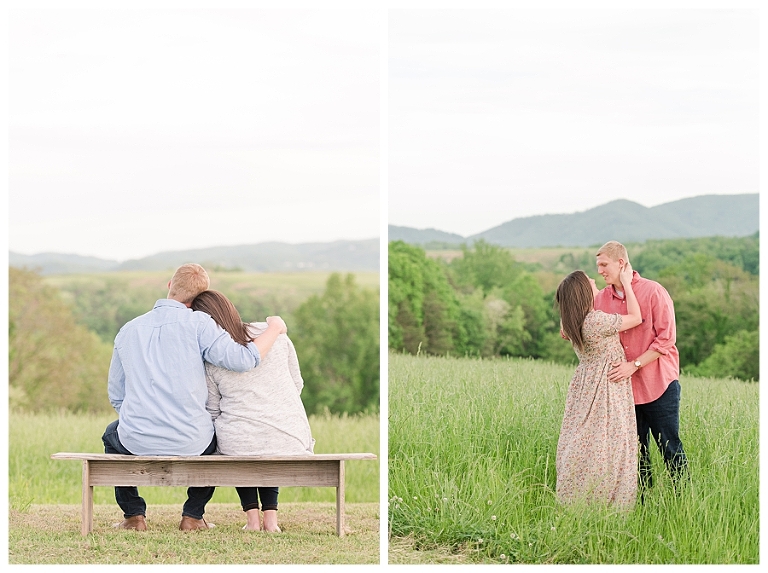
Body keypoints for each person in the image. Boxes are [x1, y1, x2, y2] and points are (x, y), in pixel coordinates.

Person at [103, 263, 287, 532]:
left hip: (137, 438)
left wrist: (146, 418)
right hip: (192, 440)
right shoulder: (200, 323)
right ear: (199, 298)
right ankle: (192, 515)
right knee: (216, 435)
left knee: (111, 434)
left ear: (169, 285)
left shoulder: (128, 330)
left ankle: (133, 516)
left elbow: (117, 396)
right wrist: (275, 327)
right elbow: (245, 359)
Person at [190, 289, 315, 533]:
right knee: (264, 436)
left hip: (239, 444)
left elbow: (213, 409)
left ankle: (252, 521)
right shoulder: (277, 336)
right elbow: (296, 384)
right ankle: (271, 521)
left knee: (238, 435)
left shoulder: (212, 357)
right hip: (289, 437)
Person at [594, 241, 688, 491]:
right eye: (598, 266)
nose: (600, 270)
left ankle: (683, 502)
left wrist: (633, 365)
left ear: (621, 263)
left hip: (659, 385)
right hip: (623, 391)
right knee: (635, 453)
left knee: (670, 447)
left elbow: (666, 339)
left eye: (604, 265)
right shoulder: (601, 298)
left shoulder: (654, 291)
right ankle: (643, 506)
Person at [555, 263, 642, 507]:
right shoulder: (595, 322)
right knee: (609, 442)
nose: (596, 283)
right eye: (591, 282)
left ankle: (577, 494)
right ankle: (605, 499)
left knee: (586, 437)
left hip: (585, 385)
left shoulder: (572, 322)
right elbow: (636, 318)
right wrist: (626, 283)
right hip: (606, 386)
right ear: (584, 292)